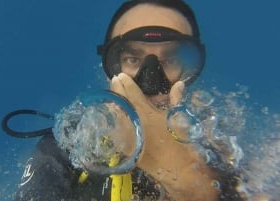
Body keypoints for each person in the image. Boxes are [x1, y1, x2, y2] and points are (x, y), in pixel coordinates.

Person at [13, 0, 246, 200]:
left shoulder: (222, 148)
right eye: (133, 59)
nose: (151, 81)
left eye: (171, 60)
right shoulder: (67, 149)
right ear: (110, 70)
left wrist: (175, 164)